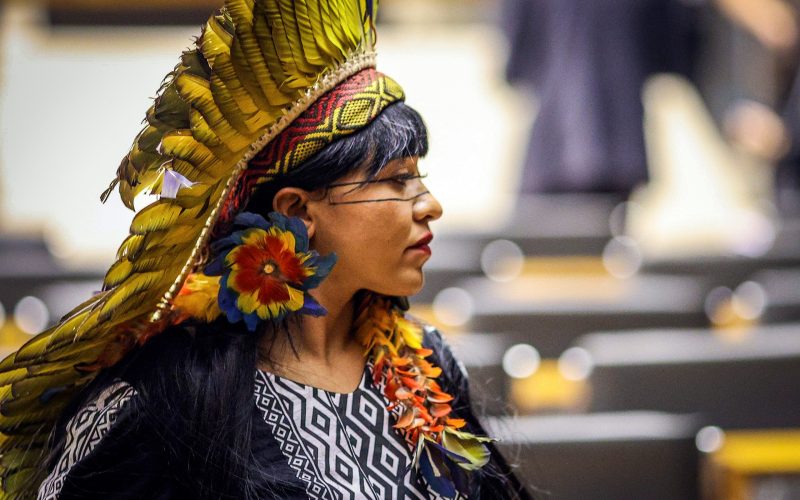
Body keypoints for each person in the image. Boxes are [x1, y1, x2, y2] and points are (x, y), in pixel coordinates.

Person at [0, 1, 531, 499]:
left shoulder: (428, 363)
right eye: (396, 181)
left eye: (420, 179)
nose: (429, 205)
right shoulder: (166, 396)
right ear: (299, 210)